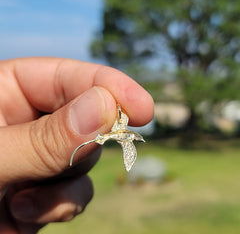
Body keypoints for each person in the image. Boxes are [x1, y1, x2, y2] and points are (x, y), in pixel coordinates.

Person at [0, 57, 154, 234]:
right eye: (137, 138)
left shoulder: (128, 140)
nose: (136, 139)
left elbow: (128, 146)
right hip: (107, 133)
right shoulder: (124, 125)